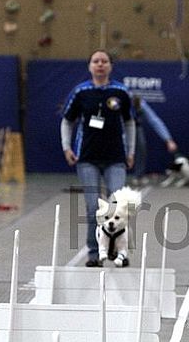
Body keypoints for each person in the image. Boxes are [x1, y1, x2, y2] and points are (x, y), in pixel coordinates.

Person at [60, 49, 136, 267]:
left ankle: (118, 251)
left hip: (115, 158)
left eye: (104, 61)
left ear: (110, 66)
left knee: (117, 206)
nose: (100, 64)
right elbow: (67, 120)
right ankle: (95, 253)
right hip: (87, 158)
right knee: (94, 207)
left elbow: (129, 123)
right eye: (96, 61)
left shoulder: (121, 92)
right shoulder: (80, 92)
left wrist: (130, 152)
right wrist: (66, 147)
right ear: (90, 66)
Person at [132, 95, 178, 185]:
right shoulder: (118, 102)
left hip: (136, 126)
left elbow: (154, 120)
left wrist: (168, 140)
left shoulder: (141, 104)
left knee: (141, 147)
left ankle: (138, 175)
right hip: (121, 126)